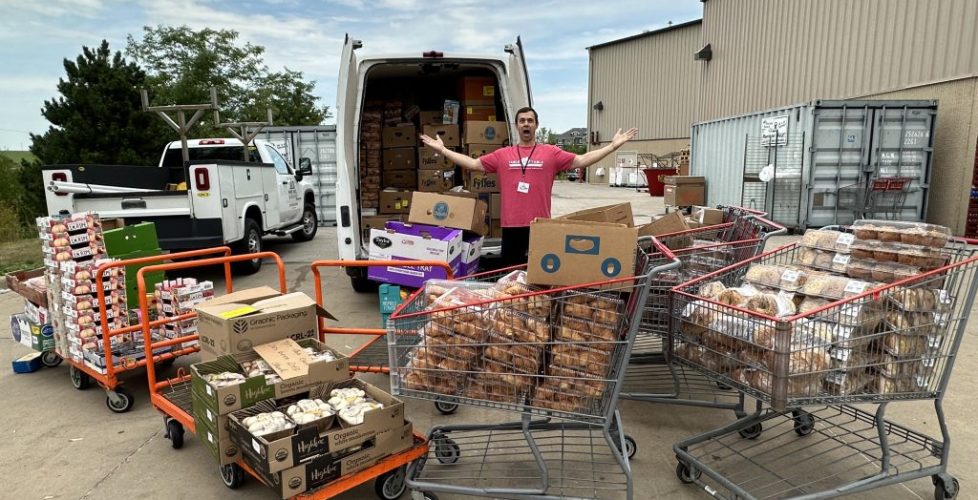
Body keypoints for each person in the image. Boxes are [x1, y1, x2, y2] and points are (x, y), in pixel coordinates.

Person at [420, 106, 638, 266]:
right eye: (522, 120)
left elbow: (581, 160)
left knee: (540, 275)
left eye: (530, 120)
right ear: (517, 126)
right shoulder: (502, 155)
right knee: (511, 278)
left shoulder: (551, 153)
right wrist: (444, 151)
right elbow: (474, 163)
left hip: (540, 225)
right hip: (511, 226)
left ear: (536, 125)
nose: (526, 124)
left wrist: (612, 147)